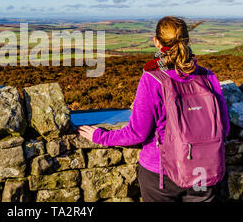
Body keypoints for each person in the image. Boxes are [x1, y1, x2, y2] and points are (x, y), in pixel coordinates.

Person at [78, 16, 230, 202]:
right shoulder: (207, 76)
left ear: (157, 42)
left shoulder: (154, 78)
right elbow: (224, 128)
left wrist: (100, 136)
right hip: (205, 170)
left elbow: (137, 133)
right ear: (187, 40)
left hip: (161, 175)